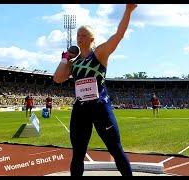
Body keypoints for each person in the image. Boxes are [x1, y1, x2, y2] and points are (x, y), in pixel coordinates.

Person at [53, 4, 137, 176]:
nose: (80, 38)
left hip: (100, 109)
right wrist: (65, 58)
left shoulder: (99, 54)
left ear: (92, 39)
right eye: (78, 35)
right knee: (78, 153)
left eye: (84, 35)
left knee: (116, 149)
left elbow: (119, 35)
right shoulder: (73, 63)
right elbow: (57, 78)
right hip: (80, 110)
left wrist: (127, 11)